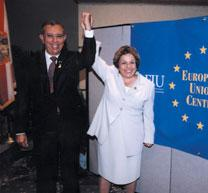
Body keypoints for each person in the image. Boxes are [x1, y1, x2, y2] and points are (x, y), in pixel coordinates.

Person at [14, 12, 96, 193]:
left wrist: (88, 30)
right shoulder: (29, 62)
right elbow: (23, 97)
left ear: (65, 38)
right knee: (44, 174)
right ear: (42, 38)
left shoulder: (72, 59)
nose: (55, 41)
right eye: (50, 36)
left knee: (70, 173)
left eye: (59, 36)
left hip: (70, 127)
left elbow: (89, 58)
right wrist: (20, 129)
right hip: (43, 128)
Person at [87, 42, 156, 193]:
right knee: (106, 173)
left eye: (132, 62)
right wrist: (89, 32)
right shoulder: (110, 74)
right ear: (117, 65)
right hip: (109, 136)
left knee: (131, 175)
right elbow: (92, 59)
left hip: (132, 137)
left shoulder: (148, 85)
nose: (128, 66)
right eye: (123, 63)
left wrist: (149, 137)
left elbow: (148, 114)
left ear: (136, 64)